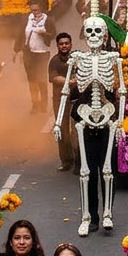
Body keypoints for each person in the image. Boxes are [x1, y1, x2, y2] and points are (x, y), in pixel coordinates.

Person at [16, 0, 56, 114]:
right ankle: (35, 104)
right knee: (32, 80)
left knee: (41, 79)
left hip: (42, 54)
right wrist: (16, 50)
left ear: (41, 9)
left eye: (37, 10)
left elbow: (53, 34)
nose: (35, 12)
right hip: (29, 54)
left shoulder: (48, 20)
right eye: (32, 10)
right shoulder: (26, 19)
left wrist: (44, 34)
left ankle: (44, 104)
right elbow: (20, 35)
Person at [48, 33, 78, 172]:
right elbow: (53, 78)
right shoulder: (54, 61)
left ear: (71, 44)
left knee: (76, 132)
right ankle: (66, 161)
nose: (64, 46)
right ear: (57, 46)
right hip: (60, 100)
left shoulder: (77, 59)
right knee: (62, 130)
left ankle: (79, 162)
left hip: (76, 100)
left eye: (66, 43)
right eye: (61, 44)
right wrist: (70, 82)